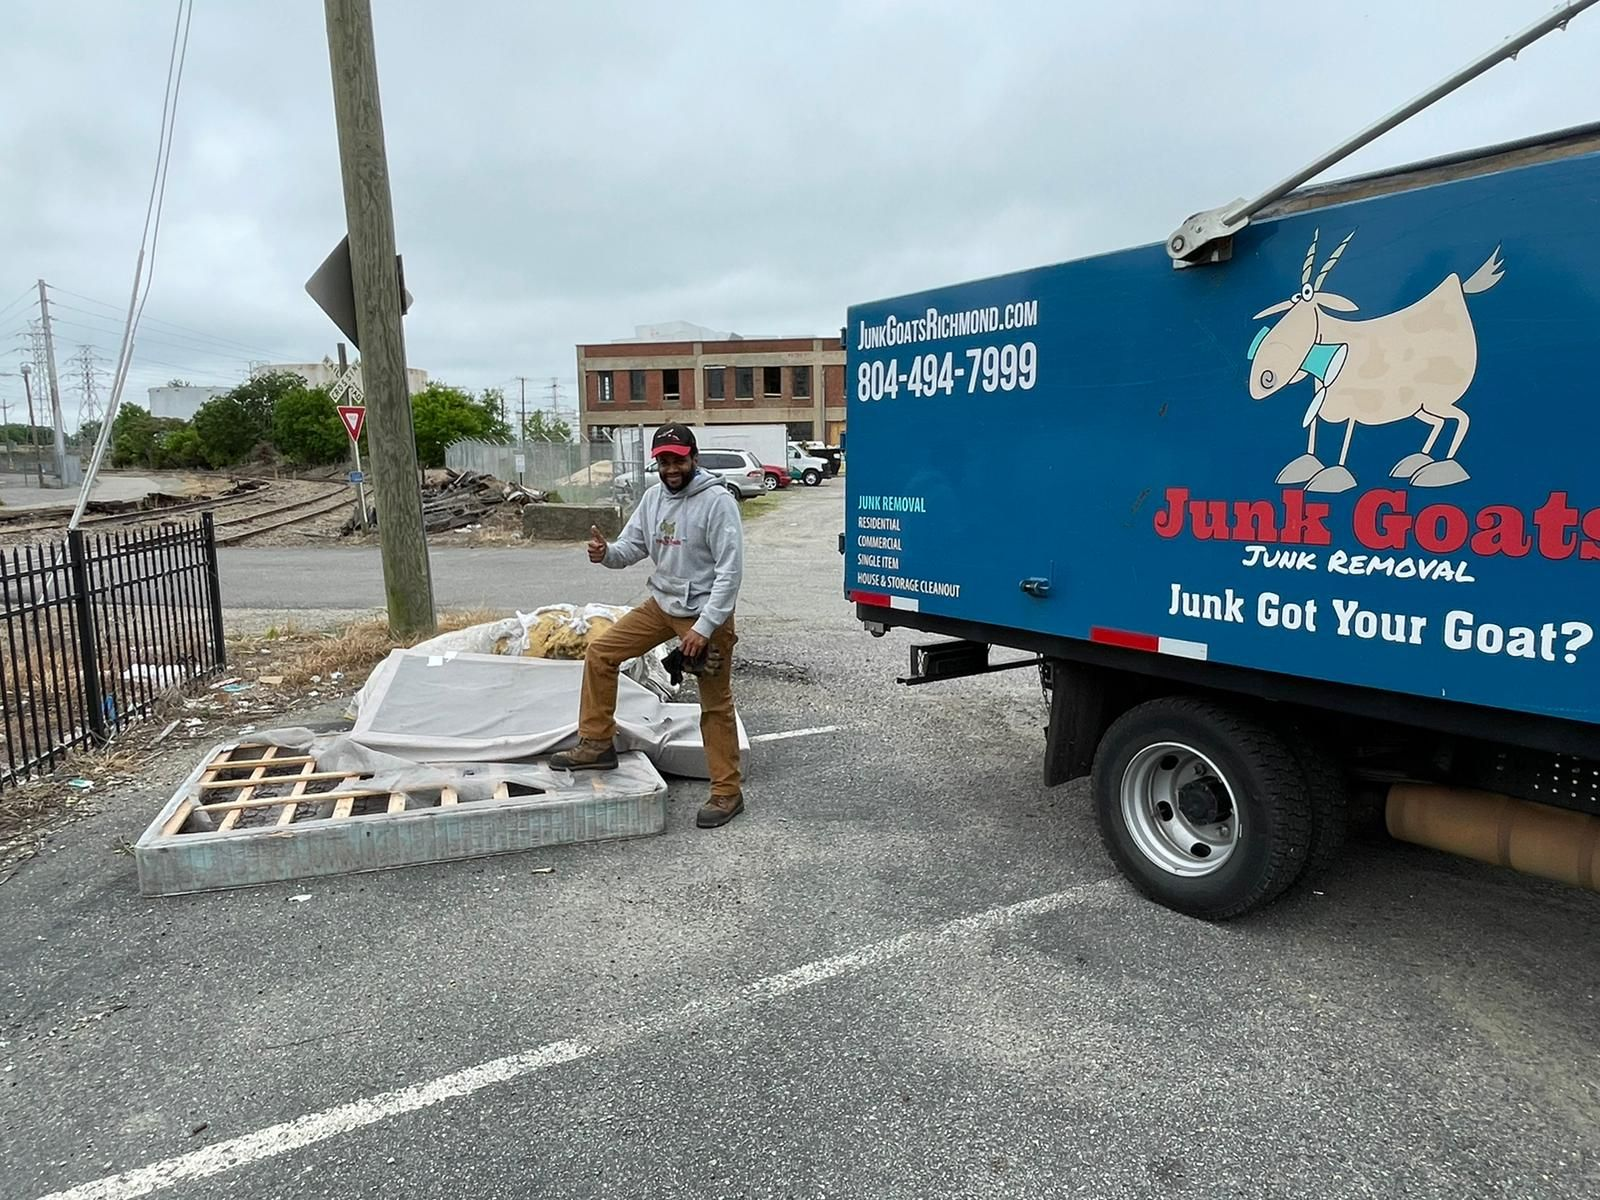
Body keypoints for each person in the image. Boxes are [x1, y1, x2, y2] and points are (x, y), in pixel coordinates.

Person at [551, 423, 746, 828]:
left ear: (693, 456)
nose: (671, 468)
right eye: (663, 461)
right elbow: (630, 549)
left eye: (678, 459)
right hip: (663, 603)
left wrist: (705, 628)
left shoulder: (717, 502)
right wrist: (605, 553)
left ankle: (727, 793)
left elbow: (729, 574)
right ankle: (597, 743)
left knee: (714, 703)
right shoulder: (654, 497)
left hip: (705, 611)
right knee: (602, 653)